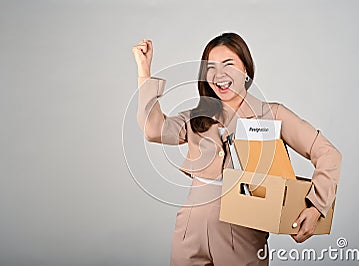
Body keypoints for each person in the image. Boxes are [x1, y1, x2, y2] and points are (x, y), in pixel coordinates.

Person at [132, 32, 342, 266]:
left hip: (243, 231)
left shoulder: (272, 114)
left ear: (246, 70)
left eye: (229, 64)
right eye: (211, 67)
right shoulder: (197, 117)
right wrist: (144, 72)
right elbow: (153, 129)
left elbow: (328, 154)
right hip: (189, 228)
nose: (219, 74)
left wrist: (315, 207)